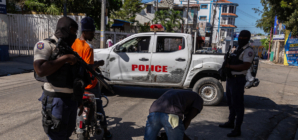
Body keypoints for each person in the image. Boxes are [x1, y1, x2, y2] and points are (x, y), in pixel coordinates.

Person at [33, 17, 80, 140]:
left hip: (71, 99)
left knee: (67, 133)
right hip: (56, 99)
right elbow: (40, 70)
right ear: (65, 30)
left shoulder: (68, 49)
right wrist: (66, 59)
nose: (74, 36)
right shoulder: (45, 45)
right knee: (56, 135)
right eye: (73, 32)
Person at [71, 17, 112, 139]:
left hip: (77, 84)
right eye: (91, 32)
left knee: (74, 105)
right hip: (90, 85)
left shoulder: (73, 44)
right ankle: (105, 131)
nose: (93, 35)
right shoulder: (88, 47)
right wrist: (99, 63)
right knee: (99, 106)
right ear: (84, 32)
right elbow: (88, 67)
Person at [219, 30, 254, 137]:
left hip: (238, 80)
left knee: (238, 105)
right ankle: (230, 122)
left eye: (243, 38)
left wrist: (229, 66)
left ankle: (237, 129)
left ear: (247, 39)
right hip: (231, 79)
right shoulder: (237, 49)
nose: (240, 39)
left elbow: (245, 66)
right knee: (231, 103)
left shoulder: (248, 51)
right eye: (240, 37)